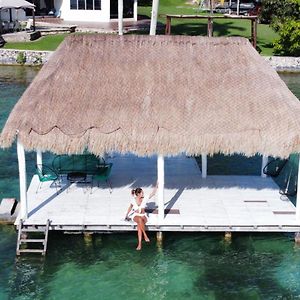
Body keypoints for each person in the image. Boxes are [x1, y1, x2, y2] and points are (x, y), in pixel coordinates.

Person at [125, 183, 158, 250]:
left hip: (143, 216)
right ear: (138, 194)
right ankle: (145, 236)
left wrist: (157, 185)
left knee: (139, 225)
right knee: (139, 220)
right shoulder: (133, 200)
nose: (143, 194)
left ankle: (140, 244)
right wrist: (126, 215)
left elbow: (153, 193)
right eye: (142, 193)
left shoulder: (145, 198)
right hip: (136, 216)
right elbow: (130, 207)